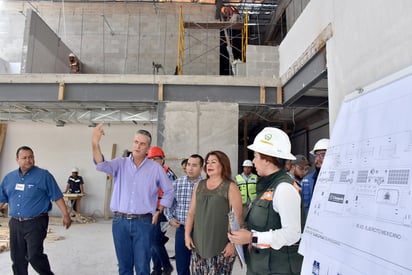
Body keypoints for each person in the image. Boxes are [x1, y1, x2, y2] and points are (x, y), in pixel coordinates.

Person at [92, 123, 174, 275]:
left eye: (142, 144)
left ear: (148, 148)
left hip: (143, 222)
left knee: (142, 267)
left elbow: (169, 190)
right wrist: (95, 143)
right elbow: (100, 165)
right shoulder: (120, 164)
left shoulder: (155, 168)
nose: (138, 146)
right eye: (136, 142)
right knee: (124, 267)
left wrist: (158, 210)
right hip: (120, 222)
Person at [228, 127, 305, 275]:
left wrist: (252, 237)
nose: (253, 161)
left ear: (267, 159)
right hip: (261, 266)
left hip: (277, 268)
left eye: (256, 156)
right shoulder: (266, 185)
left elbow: (292, 234)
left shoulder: (284, 188)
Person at [0, 146, 71, 275]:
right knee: (17, 258)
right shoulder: (9, 178)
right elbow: (2, 199)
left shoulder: (44, 176)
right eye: (25, 157)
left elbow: (57, 196)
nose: (28, 160)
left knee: (34, 255)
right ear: (17, 159)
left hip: (36, 222)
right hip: (15, 223)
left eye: (31, 157)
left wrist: (66, 215)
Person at [185, 150, 242, 274]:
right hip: (198, 245)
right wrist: (187, 235)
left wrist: (232, 243)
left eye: (213, 162)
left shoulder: (231, 187)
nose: (209, 165)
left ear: (223, 164)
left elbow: (237, 219)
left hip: (221, 246)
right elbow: (191, 213)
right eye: (207, 163)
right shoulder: (199, 185)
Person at [164, 154, 204, 275]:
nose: (190, 168)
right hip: (182, 229)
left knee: (201, 266)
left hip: (201, 231)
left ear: (201, 168)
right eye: (188, 165)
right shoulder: (177, 183)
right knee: (182, 265)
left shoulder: (206, 185)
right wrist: (170, 218)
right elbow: (168, 203)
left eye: (194, 165)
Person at [147, 146, 176, 275]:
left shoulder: (167, 173)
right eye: (151, 159)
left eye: (156, 159)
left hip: (163, 212)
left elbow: (171, 194)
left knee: (154, 241)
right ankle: (157, 269)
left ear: (162, 159)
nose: (153, 162)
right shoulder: (148, 173)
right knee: (153, 241)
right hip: (150, 211)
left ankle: (166, 266)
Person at [301, 138, 329, 216]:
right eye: (316, 155)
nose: (318, 159)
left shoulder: (338, 181)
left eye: (323, 155)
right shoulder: (307, 180)